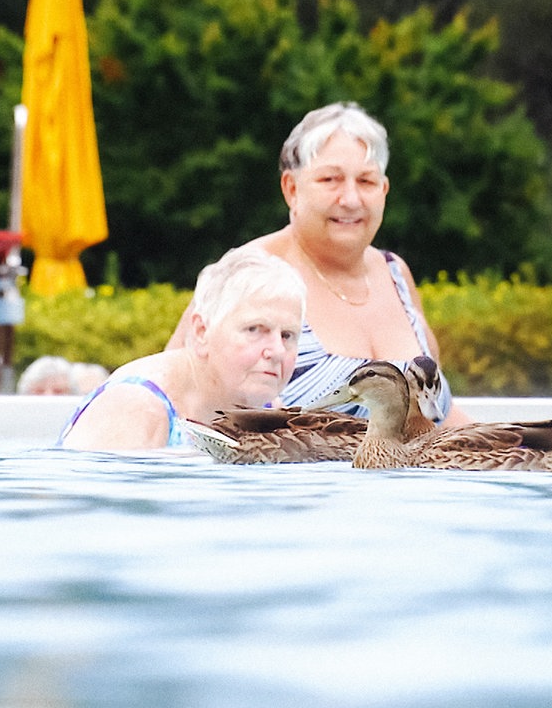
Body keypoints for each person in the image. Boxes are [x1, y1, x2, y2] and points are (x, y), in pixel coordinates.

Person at [169, 101, 470, 425]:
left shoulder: (395, 274)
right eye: (330, 180)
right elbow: (170, 394)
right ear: (291, 189)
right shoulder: (250, 272)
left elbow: (442, 416)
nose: (351, 199)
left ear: (384, 189)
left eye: (366, 182)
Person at [57, 247, 306, 451]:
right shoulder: (135, 409)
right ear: (201, 332)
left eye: (287, 335)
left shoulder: (264, 409)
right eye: (255, 329)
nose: (277, 351)